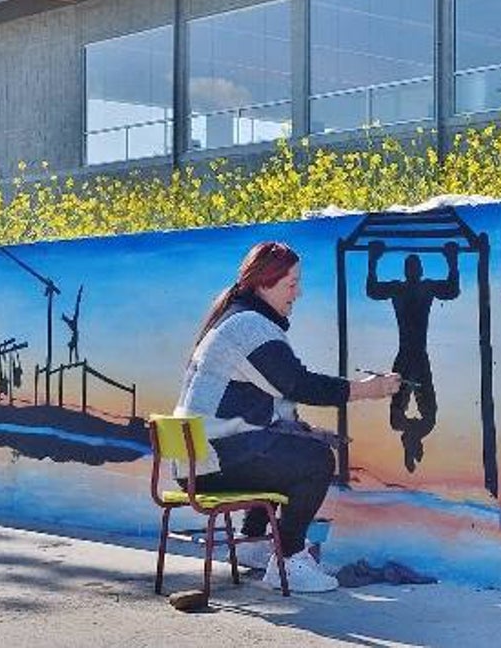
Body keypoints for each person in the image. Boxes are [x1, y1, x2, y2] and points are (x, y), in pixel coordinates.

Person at [174, 240, 400, 593]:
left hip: (197, 461)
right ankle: (288, 560)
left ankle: (253, 543)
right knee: (316, 462)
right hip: (213, 461)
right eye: (291, 284)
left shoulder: (234, 319)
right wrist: (368, 389)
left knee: (293, 451)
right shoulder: (248, 327)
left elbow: (274, 399)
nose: (298, 293)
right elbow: (297, 384)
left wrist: (302, 430)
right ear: (264, 283)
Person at [367, 240, 460, 472]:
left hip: (415, 356)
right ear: (411, 271)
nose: (414, 270)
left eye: (415, 266)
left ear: (418, 271)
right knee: (404, 415)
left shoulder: (420, 287)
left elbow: (452, 290)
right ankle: (411, 438)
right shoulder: (405, 288)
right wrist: (451, 259)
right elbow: (373, 291)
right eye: (412, 266)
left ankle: (411, 438)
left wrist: (452, 260)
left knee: (420, 415)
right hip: (411, 355)